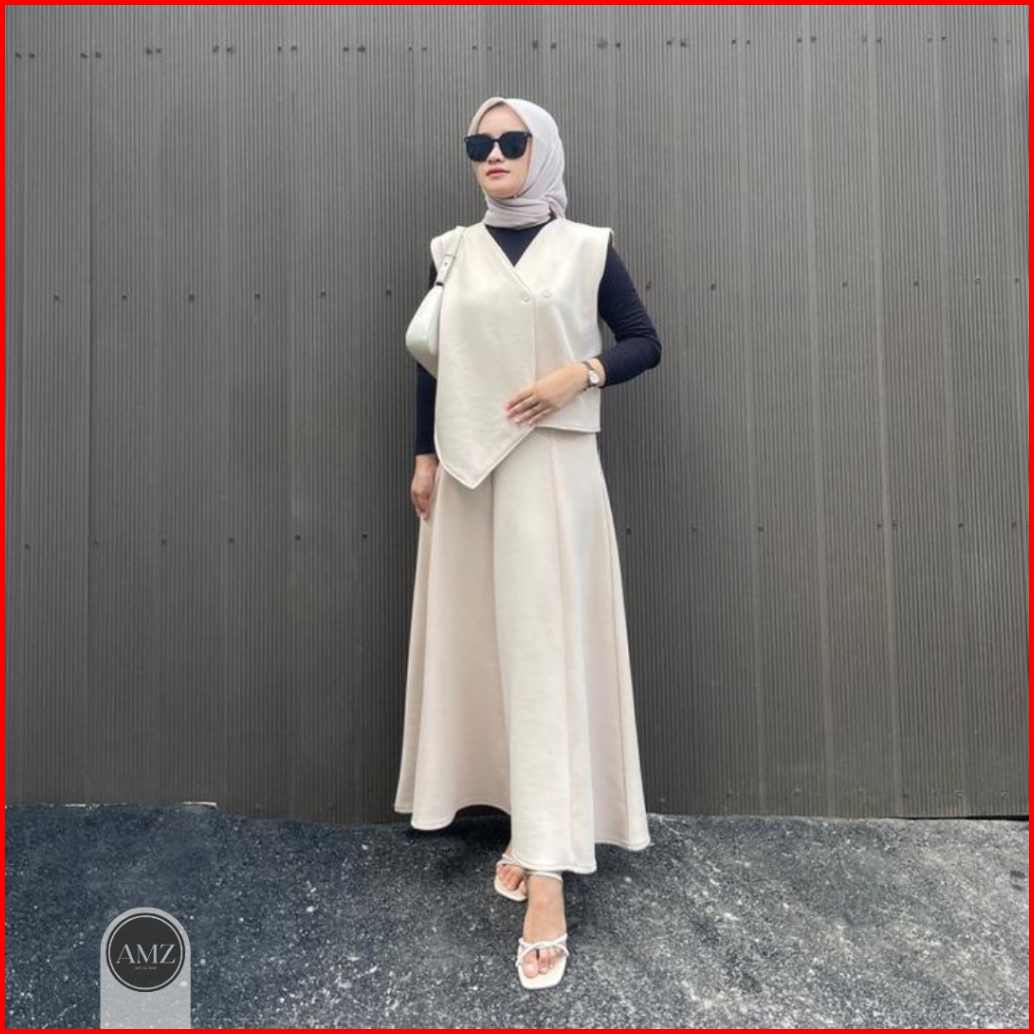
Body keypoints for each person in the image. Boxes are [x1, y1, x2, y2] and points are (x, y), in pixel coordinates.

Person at [393, 96, 661, 990]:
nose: (494, 154)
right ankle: (522, 826)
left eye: (512, 141)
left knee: (544, 655)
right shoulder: (452, 250)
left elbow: (645, 342)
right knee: (489, 652)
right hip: (470, 478)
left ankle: (547, 873)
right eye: (481, 142)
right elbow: (434, 362)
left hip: (551, 473)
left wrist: (577, 374)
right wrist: (424, 457)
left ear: (542, 151)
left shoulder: (587, 247)